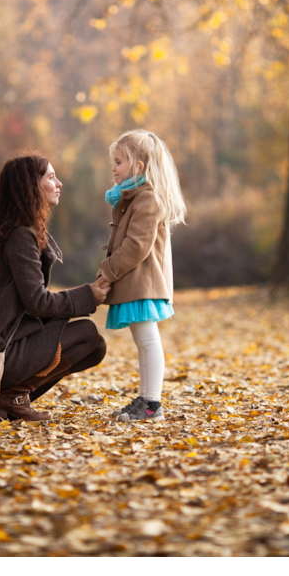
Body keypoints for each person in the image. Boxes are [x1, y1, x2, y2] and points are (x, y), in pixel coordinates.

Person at [0, 153, 111, 423]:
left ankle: (13, 397)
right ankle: (10, 396)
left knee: (95, 346)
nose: (59, 183)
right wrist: (88, 295)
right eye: (51, 177)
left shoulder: (16, 231)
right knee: (87, 333)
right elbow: (37, 302)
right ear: (31, 186)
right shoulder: (20, 236)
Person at [98, 130, 186, 422]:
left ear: (139, 167)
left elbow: (136, 247)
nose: (114, 167)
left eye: (119, 161)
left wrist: (108, 270)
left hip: (142, 284)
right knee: (143, 340)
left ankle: (152, 404)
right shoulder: (133, 197)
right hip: (135, 283)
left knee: (148, 340)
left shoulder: (148, 199)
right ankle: (147, 397)